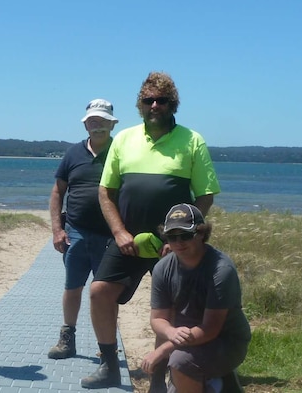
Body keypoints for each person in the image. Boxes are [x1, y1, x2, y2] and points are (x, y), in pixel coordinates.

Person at [81, 72, 221, 390]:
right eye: (149, 100)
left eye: (162, 100)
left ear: (174, 105)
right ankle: (108, 366)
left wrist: (181, 238)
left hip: (174, 244)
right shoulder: (125, 140)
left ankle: (159, 374)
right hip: (128, 239)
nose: (155, 105)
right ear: (140, 105)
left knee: (169, 309)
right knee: (99, 292)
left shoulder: (192, 140)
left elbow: (206, 195)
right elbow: (106, 192)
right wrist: (118, 232)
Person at [142, 204, 250, 393]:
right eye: (172, 237)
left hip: (226, 340)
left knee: (179, 362)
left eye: (186, 235)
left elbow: (210, 330)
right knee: (173, 344)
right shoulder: (163, 268)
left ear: (201, 233)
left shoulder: (221, 270)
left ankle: (220, 376)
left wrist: (162, 351)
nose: (178, 242)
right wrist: (170, 332)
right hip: (186, 336)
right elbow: (158, 318)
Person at [47, 99, 119, 359]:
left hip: (109, 236)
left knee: (106, 292)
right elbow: (57, 192)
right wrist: (57, 229)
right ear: (85, 124)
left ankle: (107, 346)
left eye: (102, 121)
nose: (97, 126)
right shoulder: (73, 154)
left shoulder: (120, 151)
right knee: (72, 287)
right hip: (75, 232)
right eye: (92, 121)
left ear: (112, 124)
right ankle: (67, 339)